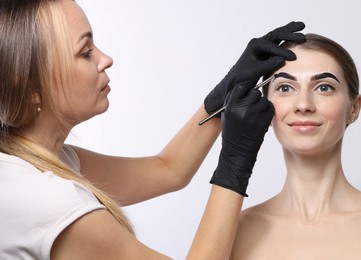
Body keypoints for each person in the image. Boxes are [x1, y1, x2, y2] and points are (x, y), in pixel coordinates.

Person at [0, 0, 306, 259]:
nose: (106, 59)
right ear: (31, 90)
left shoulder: (38, 161)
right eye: (85, 52)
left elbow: (167, 170)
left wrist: (220, 98)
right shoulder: (46, 203)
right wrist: (236, 161)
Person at [230, 33, 361, 259]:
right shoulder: (232, 233)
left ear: (354, 108)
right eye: (285, 88)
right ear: (265, 105)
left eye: (323, 87)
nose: (303, 104)